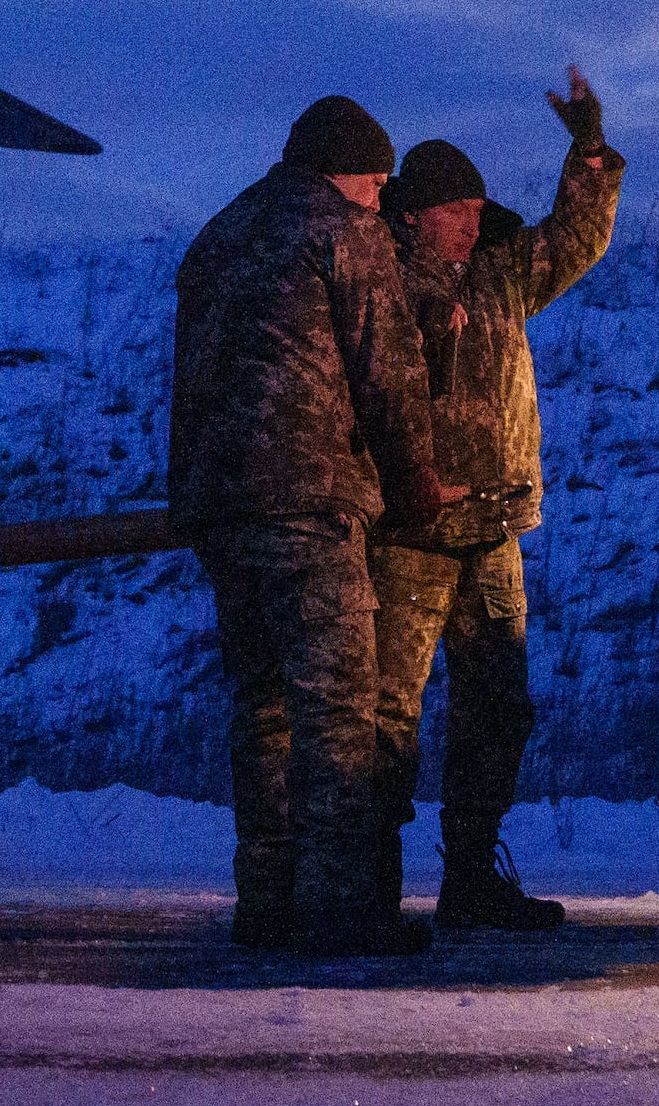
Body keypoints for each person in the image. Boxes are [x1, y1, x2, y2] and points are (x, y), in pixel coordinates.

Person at [167, 92, 451, 956]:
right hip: (311, 502)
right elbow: (391, 377)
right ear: (350, 172)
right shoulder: (344, 230)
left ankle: (267, 899)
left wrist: (194, 501)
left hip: (223, 508)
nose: (382, 201)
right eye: (378, 184)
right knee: (337, 710)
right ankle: (337, 906)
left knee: (261, 707)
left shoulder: (217, 235)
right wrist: (418, 494)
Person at [370, 66, 624, 934]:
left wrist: (588, 150)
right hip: (412, 530)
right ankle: (365, 881)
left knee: (499, 709)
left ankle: (471, 874)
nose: (474, 223)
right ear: (412, 214)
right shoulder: (381, 283)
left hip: (494, 530)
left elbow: (575, 238)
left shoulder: (500, 275)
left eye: (479, 211)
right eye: (456, 212)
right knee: (388, 712)